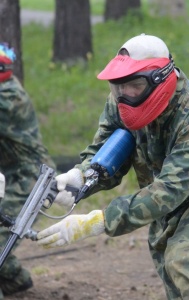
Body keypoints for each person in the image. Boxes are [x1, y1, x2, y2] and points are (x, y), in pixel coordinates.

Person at [37, 34, 189, 299]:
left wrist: (99, 221)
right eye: (118, 86)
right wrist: (81, 177)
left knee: (185, 262)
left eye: (134, 85)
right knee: (176, 278)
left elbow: (169, 190)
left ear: (159, 79)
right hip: (173, 198)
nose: (124, 95)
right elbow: (105, 151)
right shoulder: (121, 100)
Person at [0, 43, 56, 299]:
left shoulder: (7, 98)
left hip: (31, 179)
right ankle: (14, 281)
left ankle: (13, 281)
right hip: (12, 177)